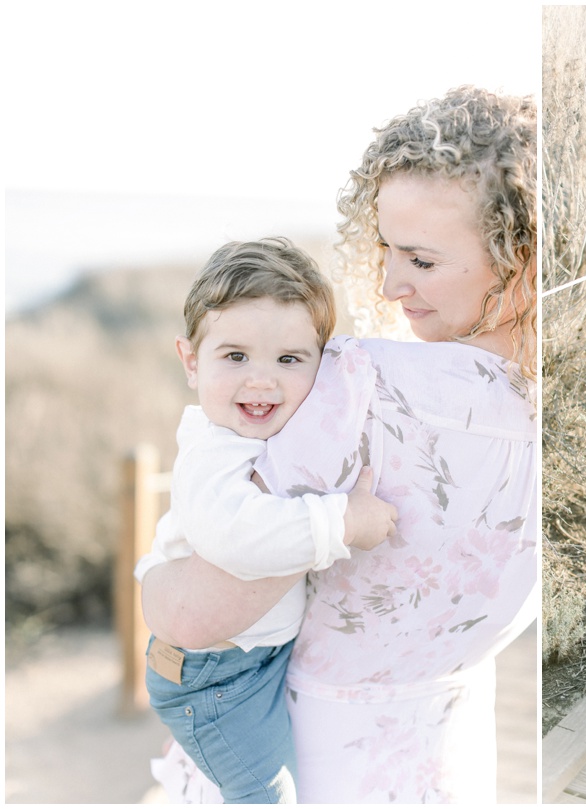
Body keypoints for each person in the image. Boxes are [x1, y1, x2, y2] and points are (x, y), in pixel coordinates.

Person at [139, 85, 537, 802]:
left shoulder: (356, 387)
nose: (389, 283)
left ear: (519, 254)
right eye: (386, 249)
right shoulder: (558, 404)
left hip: (300, 757)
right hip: (445, 762)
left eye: (420, 259)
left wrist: (151, 578)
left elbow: (193, 614)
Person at [134, 238, 398, 802]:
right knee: (268, 796)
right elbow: (241, 540)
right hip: (216, 679)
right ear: (190, 361)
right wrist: (343, 522)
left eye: (288, 359)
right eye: (235, 357)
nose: (261, 380)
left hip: (253, 662)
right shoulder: (212, 453)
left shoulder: (266, 439)